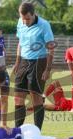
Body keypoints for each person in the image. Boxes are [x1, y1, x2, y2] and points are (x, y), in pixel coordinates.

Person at [13, 2, 55, 130]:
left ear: (33, 14)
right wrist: (17, 62)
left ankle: (37, 131)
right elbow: (20, 43)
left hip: (39, 62)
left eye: (27, 19)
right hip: (24, 62)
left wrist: (47, 69)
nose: (25, 22)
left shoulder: (44, 25)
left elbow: (51, 48)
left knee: (35, 97)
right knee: (17, 98)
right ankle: (17, 131)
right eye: (23, 18)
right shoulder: (21, 22)